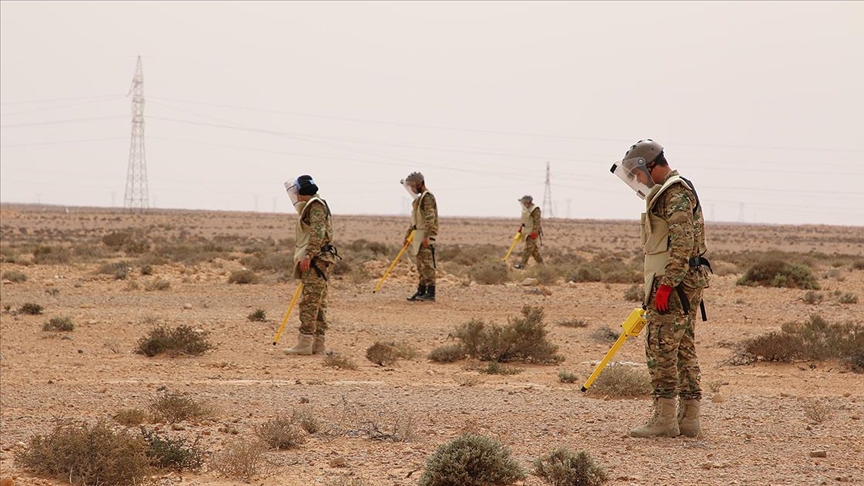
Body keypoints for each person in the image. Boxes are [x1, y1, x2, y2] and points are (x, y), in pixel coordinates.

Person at [611, 139, 710, 438]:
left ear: (649, 166)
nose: (638, 180)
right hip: (683, 281)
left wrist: (666, 285)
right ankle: (689, 420)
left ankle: (665, 419)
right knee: (682, 348)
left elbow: (682, 243)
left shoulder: (675, 193)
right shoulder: (672, 191)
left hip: (675, 283)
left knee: (661, 349)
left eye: (638, 174)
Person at [283, 175, 338, 356]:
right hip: (321, 259)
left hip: (316, 261)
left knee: (309, 302)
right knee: (318, 302)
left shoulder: (315, 206)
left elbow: (317, 233)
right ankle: (317, 344)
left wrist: (309, 255)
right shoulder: (316, 204)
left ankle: (305, 342)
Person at [401, 171, 438, 302]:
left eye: (413, 185)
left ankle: (430, 292)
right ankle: (421, 290)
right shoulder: (419, 200)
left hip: (425, 235)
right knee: (420, 265)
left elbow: (430, 219)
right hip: (418, 234)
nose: (411, 188)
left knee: (428, 264)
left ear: (420, 184)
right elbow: (415, 221)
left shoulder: (427, 198)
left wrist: (427, 237)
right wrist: (407, 236)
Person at [513, 195, 543, 269]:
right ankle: (542, 266)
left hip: (532, 233)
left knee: (528, 248)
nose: (523, 204)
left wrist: (534, 232)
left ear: (528, 202)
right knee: (534, 251)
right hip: (526, 231)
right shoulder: (526, 210)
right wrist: (521, 228)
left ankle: (522, 265)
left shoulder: (535, 209)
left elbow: (537, 222)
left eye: (524, 202)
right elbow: (525, 221)